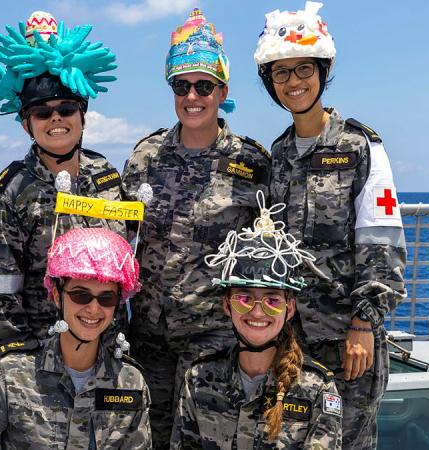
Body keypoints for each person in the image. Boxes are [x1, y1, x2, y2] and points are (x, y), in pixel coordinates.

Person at [254, 3, 407, 449]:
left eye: (304, 68)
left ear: (323, 72)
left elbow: (382, 240)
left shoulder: (360, 146)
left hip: (347, 339)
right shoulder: (278, 154)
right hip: (291, 339)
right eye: (281, 73)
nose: (294, 81)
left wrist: (364, 322)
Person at [121, 8, 272, 447]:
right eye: (181, 86)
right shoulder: (145, 156)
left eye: (204, 86)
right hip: (149, 334)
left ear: (222, 91)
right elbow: (121, 234)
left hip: (215, 339)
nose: (193, 96)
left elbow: (268, 250)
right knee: (147, 436)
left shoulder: (251, 163)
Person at [0, 11, 127, 356]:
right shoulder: (9, 193)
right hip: (42, 357)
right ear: (26, 124)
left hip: (107, 350)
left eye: (67, 108)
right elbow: (0, 289)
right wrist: (18, 360)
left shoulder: (105, 175)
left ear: (83, 116)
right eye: (42, 112)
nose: (56, 118)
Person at [0, 227, 151, 449]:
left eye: (107, 298)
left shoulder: (130, 383)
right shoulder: (8, 377)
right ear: (57, 296)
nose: (94, 309)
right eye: (81, 295)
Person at [171, 191, 341, 449]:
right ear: (226, 305)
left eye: (272, 300)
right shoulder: (198, 379)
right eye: (244, 298)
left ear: (289, 309)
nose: (258, 312)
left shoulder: (317, 389)